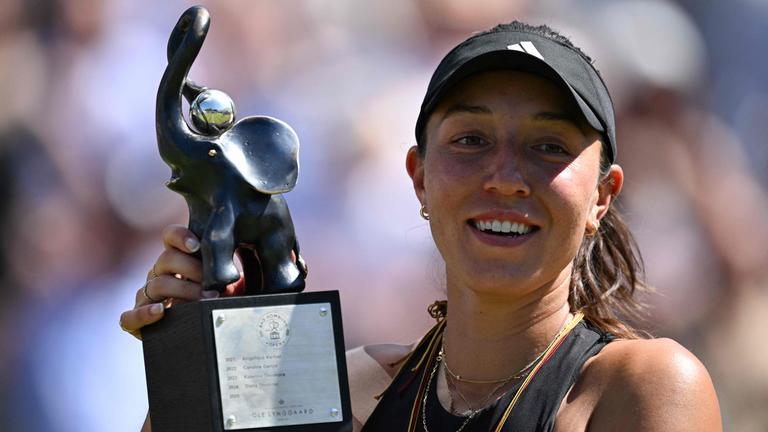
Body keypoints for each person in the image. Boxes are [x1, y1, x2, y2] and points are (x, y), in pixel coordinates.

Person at [120, 21, 722, 431]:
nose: (506, 177)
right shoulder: (352, 387)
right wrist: (200, 354)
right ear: (419, 178)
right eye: (471, 140)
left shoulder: (645, 387)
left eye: (547, 145)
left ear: (602, 196)